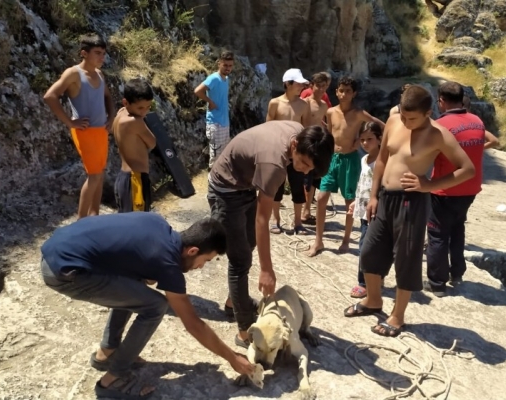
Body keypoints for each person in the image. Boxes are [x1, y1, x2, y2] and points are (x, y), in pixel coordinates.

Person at [40, 212, 254, 399]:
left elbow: (126, 251)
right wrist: (232, 357)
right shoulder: (168, 263)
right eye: (205, 260)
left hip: (57, 249)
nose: (201, 267)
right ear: (192, 251)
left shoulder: (157, 223)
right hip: (66, 272)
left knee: (137, 283)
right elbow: (193, 324)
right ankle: (113, 379)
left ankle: (108, 351)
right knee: (156, 306)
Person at [343, 85, 475, 338]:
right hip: (385, 198)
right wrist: (373, 196)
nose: (405, 121)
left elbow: (467, 169)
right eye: (403, 115)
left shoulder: (438, 134)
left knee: (406, 258)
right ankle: (373, 300)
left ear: (428, 113)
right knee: (369, 251)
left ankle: (398, 316)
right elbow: (382, 159)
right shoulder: (394, 121)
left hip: (411, 201)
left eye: (411, 118)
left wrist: (429, 185)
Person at [207, 121, 334, 348]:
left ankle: (233, 302)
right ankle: (244, 333)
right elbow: (262, 219)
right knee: (239, 260)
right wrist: (266, 270)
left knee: (249, 243)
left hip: (245, 183)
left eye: (310, 168)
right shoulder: (273, 164)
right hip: (225, 188)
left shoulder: (301, 133)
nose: (305, 171)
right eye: (304, 163)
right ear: (294, 145)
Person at [424, 82, 498, 297]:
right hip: (470, 188)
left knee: (437, 234)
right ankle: (457, 273)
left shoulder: (440, 125)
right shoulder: (477, 122)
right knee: (457, 228)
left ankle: (437, 283)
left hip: (444, 189)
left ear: (441, 101)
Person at [307, 76, 385, 256]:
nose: (344, 94)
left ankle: (346, 240)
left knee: (349, 201)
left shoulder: (358, 113)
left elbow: (379, 124)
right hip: (332, 158)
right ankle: (318, 241)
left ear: (354, 93)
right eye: (341, 90)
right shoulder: (330, 111)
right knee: (321, 198)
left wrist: (360, 140)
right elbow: (328, 132)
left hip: (350, 160)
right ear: (336, 91)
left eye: (348, 91)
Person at [43, 34, 115, 219]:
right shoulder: (73, 73)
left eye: (103, 53)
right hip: (85, 132)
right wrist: (70, 122)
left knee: (100, 174)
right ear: (84, 53)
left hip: (101, 131)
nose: (102, 57)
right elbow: (50, 96)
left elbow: (107, 97)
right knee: (94, 176)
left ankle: (94, 215)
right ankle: (81, 222)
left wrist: (111, 117)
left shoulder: (99, 74)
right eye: (97, 53)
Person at [266, 68, 312, 235]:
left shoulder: (303, 105)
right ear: (288, 83)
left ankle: (298, 222)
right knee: (277, 186)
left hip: (296, 153)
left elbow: (306, 128)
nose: (301, 86)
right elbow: (268, 127)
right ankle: (275, 219)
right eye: (298, 83)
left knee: (298, 185)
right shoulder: (275, 103)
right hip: (278, 151)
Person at [346, 122, 383, 298]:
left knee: (366, 247)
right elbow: (363, 183)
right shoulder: (364, 159)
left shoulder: (383, 161)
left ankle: (364, 282)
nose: (365, 143)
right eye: (362, 140)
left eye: (370, 139)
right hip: (363, 211)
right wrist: (356, 201)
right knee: (366, 245)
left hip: (376, 211)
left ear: (380, 139)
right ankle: (372, 280)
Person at [112, 79, 156, 213]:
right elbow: (152, 143)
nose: (144, 112)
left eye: (148, 107)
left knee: (126, 220)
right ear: (126, 102)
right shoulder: (135, 121)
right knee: (138, 222)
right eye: (140, 108)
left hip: (124, 177)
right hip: (135, 180)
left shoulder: (121, 113)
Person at [194, 50, 234, 169]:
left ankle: (220, 178)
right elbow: (197, 91)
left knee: (223, 155)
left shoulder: (226, 79)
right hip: (215, 124)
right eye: (225, 65)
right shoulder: (214, 78)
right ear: (219, 63)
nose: (228, 68)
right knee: (216, 157)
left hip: (224, 123)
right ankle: (212, 178)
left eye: (230, 66)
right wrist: (210, 102)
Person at [301, 72, 331, 224]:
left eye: (324, 86)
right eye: (318, 86)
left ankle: (306, 210)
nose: (321, 89)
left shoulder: (324, 105)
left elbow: (324, 123)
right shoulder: (304, 103)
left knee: (314, 178)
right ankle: (302, 211)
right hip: (305, 143)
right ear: (312, 86)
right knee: (304, 179)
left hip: (317, 145)